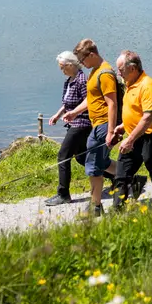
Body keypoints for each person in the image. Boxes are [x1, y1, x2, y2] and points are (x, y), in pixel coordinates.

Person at [44, 52, 116, 207]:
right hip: (73, 122)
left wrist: (75, 113)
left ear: (70, 65)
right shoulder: (70, 80)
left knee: (63, 156)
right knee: (82, 158)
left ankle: (63, 194)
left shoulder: (82, 79)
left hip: (82, 124)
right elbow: (68, 102)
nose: (61, 70)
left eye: (63, 67)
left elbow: (89, 100)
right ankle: (117, 177)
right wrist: (58, 114)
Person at [112, 50, 152, 207]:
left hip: (150, 138)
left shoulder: (148, 85)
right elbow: (136, 112)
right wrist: (123, 126)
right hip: (132, 136)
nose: (118, 72)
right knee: (121, 174)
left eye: (120, 69)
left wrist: (130, 139)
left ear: (132, 68)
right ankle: (118, 210)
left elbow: (148, 117)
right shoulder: (129, 84)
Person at [64, 39, 119, 217]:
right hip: (96, 124)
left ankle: (95, 207)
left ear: (92, 54)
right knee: (101, 162)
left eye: (82, 60)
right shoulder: (94, 72)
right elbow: (91, 99)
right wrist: (74, 112)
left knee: (93, 164)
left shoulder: (104, 73)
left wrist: (111, 131)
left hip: (104, 124)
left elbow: (112, 104)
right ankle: (130, 177)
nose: (81, 64)